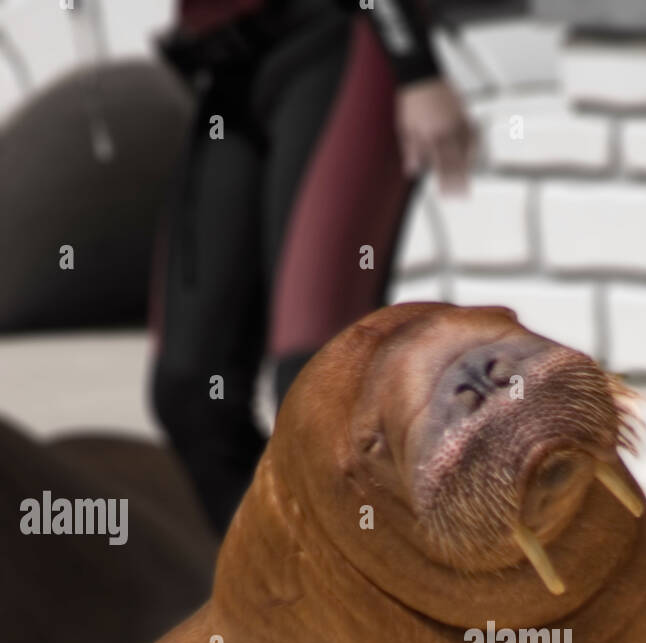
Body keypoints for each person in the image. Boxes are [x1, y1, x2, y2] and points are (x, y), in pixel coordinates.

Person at [148, 0, 474, 533]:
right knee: (190, 394)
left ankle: (379, 590)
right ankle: (283, 580)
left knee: (315, 385)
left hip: (336, 39)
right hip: (229, 69)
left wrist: (415, 68)